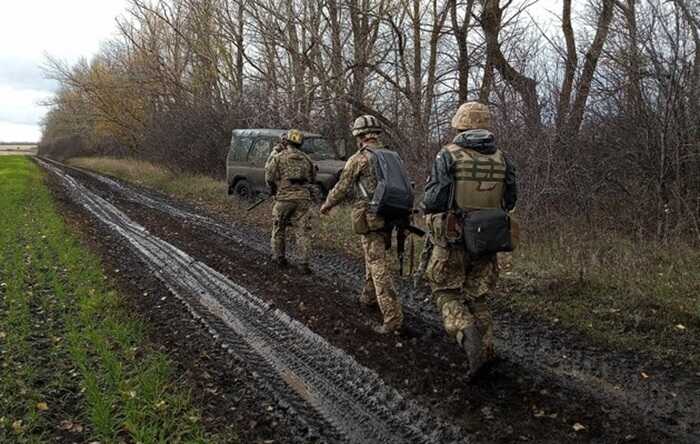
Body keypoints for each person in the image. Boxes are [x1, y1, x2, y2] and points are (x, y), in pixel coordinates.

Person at [422, 102, 517, 376]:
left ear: (460, 125)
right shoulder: (503, 158)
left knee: (445, 290)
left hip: (454, 237)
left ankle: (465, 331)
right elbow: (510, 199)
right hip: (489, 239)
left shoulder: (448, 156)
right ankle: (487, 349)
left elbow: (435, 199)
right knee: (478, 294)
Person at [319, 115, 404, 334]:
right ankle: (368, 298)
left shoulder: (359, 159)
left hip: (370, 216)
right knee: (373, 255)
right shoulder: (392, 155)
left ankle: (392, 317)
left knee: (377, 265)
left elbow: (342, 186)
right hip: (391, 215)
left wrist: (327, 204)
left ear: (359, 136)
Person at [265, 129, 316, 274]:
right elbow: (313, 178)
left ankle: (278, 258)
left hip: (283, 199)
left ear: (286, 141)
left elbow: (269, 177)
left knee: (279, 228)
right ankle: (303, 264)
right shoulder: (307, 159)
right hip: (303, 199)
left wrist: (274, 190)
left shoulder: (279, 157)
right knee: (303, 232)